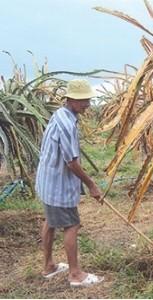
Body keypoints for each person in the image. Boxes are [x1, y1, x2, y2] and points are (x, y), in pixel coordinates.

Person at [35, 78, 103, 287]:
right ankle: (75, 274)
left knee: (50, 221)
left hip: (47, 182)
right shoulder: (66, 123)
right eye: (83, 100)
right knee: (71, 224)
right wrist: (91, 184)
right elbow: (72, 162)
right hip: (57, 185)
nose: (87, 104)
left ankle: (49, 267)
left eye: (88, 99)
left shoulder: (61, 115)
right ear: (71, 99)